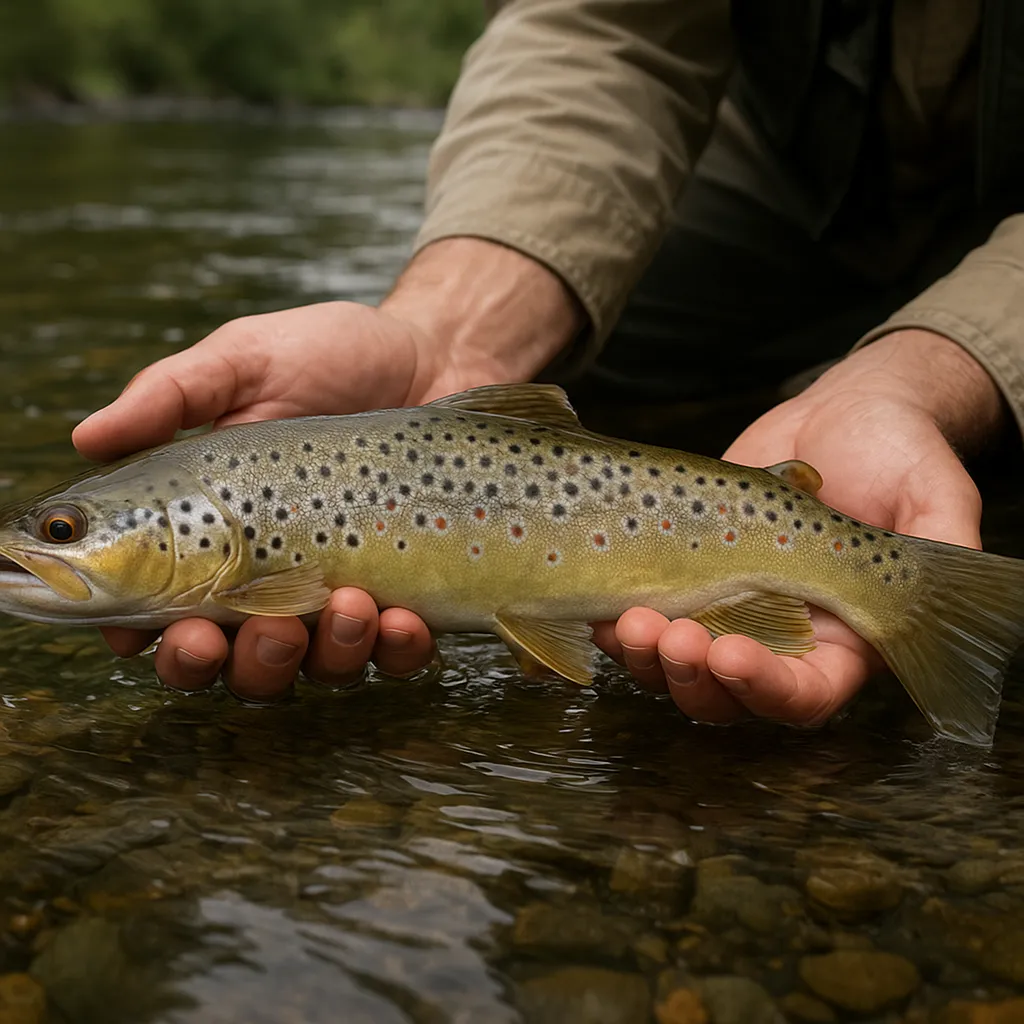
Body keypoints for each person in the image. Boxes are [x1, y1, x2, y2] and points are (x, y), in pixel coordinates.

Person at [72, 0, 1024, 729]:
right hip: (790, 144)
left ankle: (923, 586)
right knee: (608, 337)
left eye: (67, 529)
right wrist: (450, 330)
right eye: (64, 531)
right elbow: (604, 29)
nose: (41, 549)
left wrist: (930, 377)